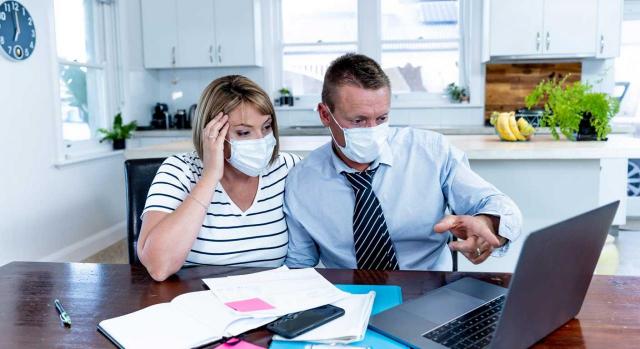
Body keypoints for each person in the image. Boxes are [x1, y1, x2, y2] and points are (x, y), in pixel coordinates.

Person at [284, 54, 522, 270]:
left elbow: (500, 205)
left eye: (382, 118)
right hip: (349, 296)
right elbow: (300, 268)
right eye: (358, 120)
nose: (372, 130)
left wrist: (488, 224)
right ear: (325, 115)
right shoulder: (301, 182)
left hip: (430, 290)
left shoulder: (431, 152)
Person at [138, 75, 300, 281]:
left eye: (266, 127)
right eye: (243, 132)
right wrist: (210, 176)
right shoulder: (179, 170)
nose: (262, 141)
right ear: (211, 131)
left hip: (271, 300)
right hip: (197, 300)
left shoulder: (287, 168)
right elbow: (158, 267)